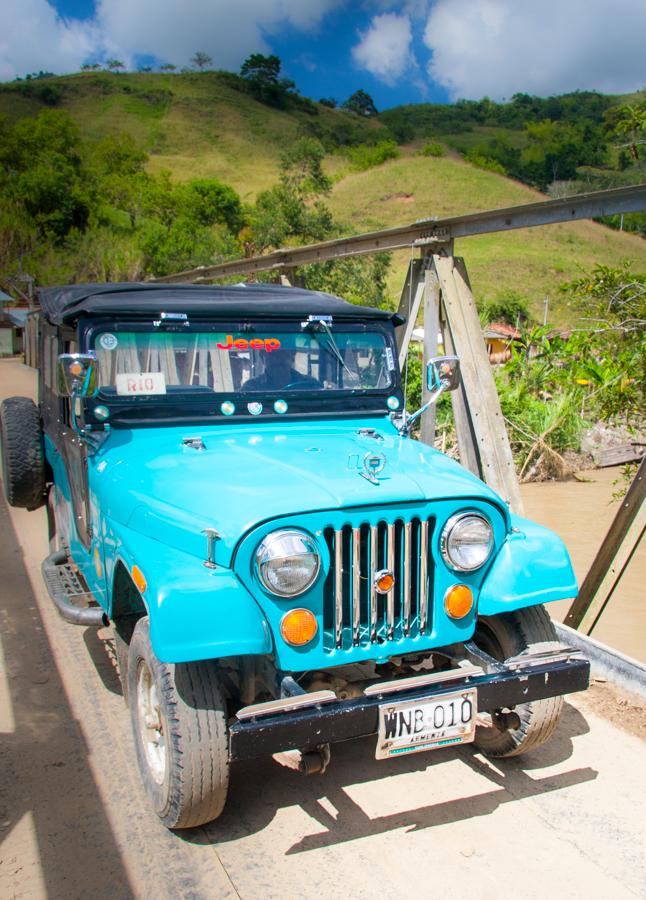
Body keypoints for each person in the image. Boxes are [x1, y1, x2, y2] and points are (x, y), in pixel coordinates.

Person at [243, 347, 321, 391]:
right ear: (262, 357)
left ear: (292, 356)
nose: (277, 360)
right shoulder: (250, 388)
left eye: (282, 354)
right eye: (272, 354)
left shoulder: (310, 385)